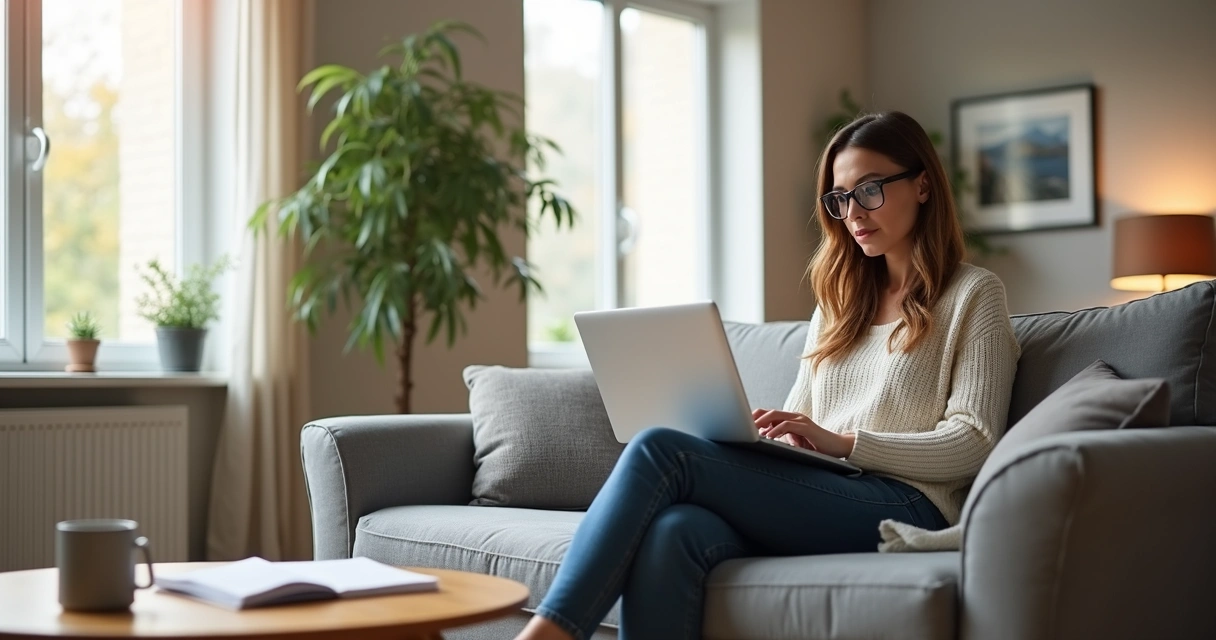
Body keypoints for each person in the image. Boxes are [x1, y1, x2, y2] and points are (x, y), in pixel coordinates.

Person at [515, 111, 1020, 640]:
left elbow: (975, 442)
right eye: (839, 198)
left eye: (869, 190)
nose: (853, 213)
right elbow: (805, 423)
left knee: (661, 449)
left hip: (910, 504)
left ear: (921, 185)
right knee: (674, 531)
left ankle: (549, 633)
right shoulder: (838, 305)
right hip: (832, 489)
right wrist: (767, 442)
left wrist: (845, 443)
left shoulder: (974, 295)